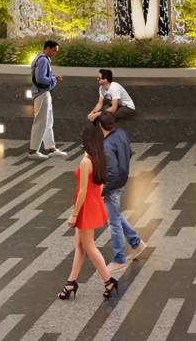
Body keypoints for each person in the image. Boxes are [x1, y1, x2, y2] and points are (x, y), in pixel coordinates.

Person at [58, 122, 119, 300]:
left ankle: (108, 280)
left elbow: (83, 190)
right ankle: (71, 282)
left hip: (86, 206)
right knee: (80, 245)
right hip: (93, 203)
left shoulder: (86, 162)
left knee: (89, 246)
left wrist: (74, 214)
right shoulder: (99, 157)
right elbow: (99, 185)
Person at [97, 112, 144, 275]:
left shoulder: (107, 145)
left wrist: (102, 190)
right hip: (122, 181)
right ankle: (136, 242)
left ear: (101, 126)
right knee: (116, 214)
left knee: (114, 221)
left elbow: (112, 172)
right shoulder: (121, 133)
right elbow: (129, 152)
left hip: (113, 186)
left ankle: (119, 259)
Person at [29, 40, 67, 160]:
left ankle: (51, 148)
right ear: (48, 48)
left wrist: (53, 78)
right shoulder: (43, 60)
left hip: (44, 93)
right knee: (40, 122)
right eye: (54, 50)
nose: (55, 53)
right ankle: (33, 151)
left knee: (48, 122)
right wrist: (53, 79)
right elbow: (40, 78)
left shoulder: (40, 58)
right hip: (42, 94)